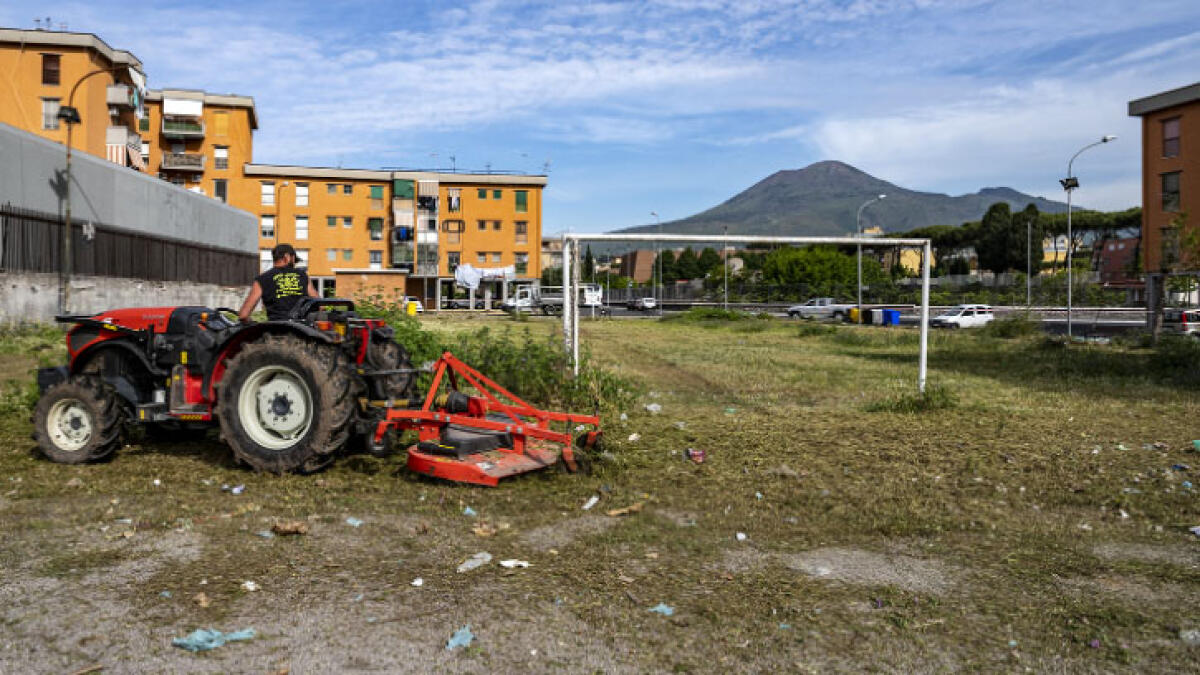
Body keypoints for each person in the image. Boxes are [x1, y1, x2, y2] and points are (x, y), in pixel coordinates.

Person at [238, 243, 319, 322]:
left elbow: (243, 315)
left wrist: (252, 323)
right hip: (301, 329)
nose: (294, 264)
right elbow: (318, 304)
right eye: (294, 260)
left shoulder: (262, 279)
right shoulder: (302, 276)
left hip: (275, 330)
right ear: (287, 257)